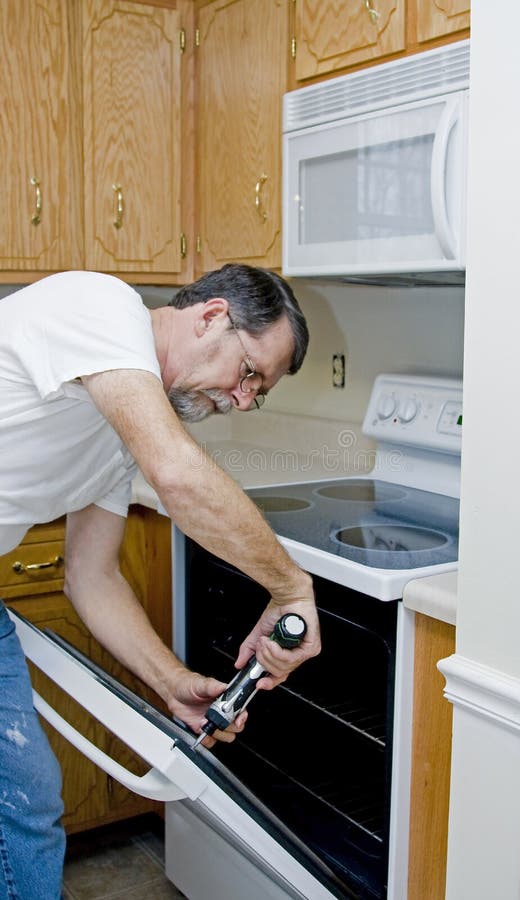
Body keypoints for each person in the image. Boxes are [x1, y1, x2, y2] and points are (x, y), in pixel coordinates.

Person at [0, 264, 320, 900]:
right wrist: (291, 589)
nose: (244, 400)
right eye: (251, 373)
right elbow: (176, 473)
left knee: (27, 800)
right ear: (210, 318)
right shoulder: (102, 305)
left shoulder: (118, 436)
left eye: (259, 394)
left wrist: (173, 684)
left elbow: (91, 577)